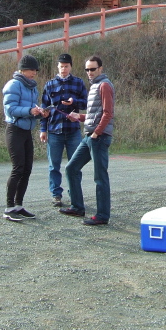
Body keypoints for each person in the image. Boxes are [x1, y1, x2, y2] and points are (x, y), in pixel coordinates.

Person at [59, 55, 114, 226]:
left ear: (100, 69)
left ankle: (102, 216)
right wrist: (79, 117)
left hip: (98, 137)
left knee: (100, 177)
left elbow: (108, 113)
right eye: (87, 69)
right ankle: (77, 207)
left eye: (92, 69)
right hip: (89, 136)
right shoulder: (95, 86)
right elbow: (94, 115)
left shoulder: (104, 85)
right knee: (71, 168)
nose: (89, 72)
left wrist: (97, 133)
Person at [2, 55, 49, 222]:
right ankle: (8, 207)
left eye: (36, 70)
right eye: (31, 69)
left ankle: (18, 205)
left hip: (27, 132)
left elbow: (31, 111)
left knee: (27, 168)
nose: (34, 73)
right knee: (18, 168)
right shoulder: (13, 85)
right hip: (14, 130)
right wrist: (30, 111)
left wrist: (40, 113)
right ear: (22, 69)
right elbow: (10, 109)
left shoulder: (32, 87)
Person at [39, 53, 88, 207]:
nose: (64, 69)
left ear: (71, 67)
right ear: (58, 67)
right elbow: (43, 109)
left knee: (75, 165)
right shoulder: (50, 85)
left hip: (73, 130)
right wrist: (43, 129)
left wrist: (75, 102)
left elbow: (86, 103)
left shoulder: (78, 83)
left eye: (66, 66)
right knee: (54, 165)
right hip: (54, 130)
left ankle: (74, 194)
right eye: (61, 66)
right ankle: (56, 195)